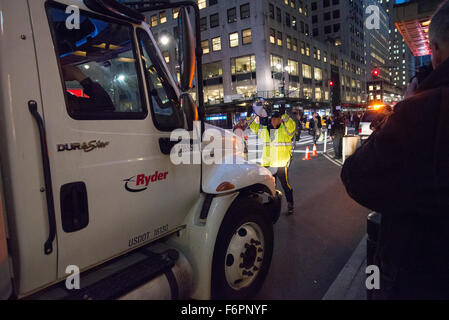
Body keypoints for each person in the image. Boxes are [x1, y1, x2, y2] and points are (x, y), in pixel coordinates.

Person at [341, 0, 449, 299]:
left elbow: (356, 177)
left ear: (436, 50)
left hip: (421, 275)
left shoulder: (424, 111)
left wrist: (405, 108)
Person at [247, 102, 296, 215]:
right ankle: (273, 207)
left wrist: (284, 114)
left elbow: (292, 126)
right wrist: (250, 114)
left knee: (285, 186)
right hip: (268, 165)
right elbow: (252, 125)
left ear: (280, 120)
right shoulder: (265, 129)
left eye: (277, 118)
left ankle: (290, 204)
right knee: (271, 188)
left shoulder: (285, 130)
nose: (274, 120)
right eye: (273, 118)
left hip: (280, 165)